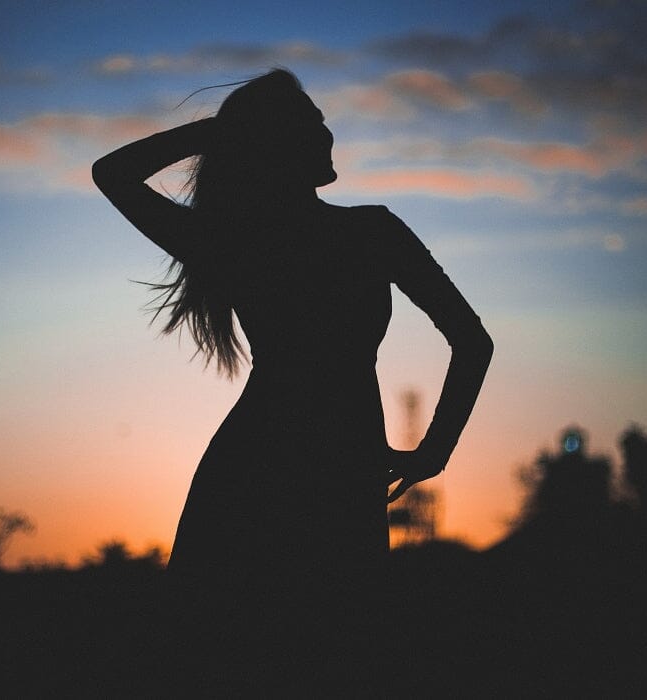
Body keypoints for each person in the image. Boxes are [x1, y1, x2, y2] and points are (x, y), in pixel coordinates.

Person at [92, 69, 492, 691]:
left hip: (294, 462)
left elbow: (472, 341)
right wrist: (433, 452)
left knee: (278, 656)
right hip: (307, 463)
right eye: (309, 123)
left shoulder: (282, 237)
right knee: (291, 656)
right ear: (277, 145)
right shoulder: (344, 234)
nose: (327, 132)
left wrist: (437, 451)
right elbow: (109, 173)